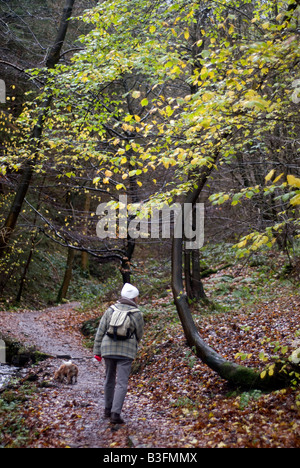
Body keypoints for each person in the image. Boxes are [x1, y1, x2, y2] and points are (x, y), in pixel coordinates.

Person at [93, 283, 144, 424]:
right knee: (121, 382)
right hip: (126, 352)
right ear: (134, 298)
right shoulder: (137, 314)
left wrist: (97, 352)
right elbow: (139, 334)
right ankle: (116, 414)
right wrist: (134, 344)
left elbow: (100, 331)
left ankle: (107, 409)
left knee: (109, 378)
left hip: (108, 348)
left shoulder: (111, 310)